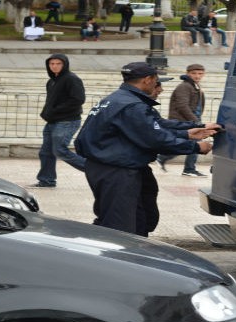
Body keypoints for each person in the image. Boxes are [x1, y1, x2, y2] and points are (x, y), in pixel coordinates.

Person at [74, 62, 219, 236]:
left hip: (112, 167)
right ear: (147, 80)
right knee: (119, 225)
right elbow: (155, 138)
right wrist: (195, 146)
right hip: (116, 170)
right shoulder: (132, 106)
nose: (160, 88)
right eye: (157, 81)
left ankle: (134, 255)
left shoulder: (119, 99)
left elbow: (155, 126)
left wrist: (191, 130)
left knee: (138, 219)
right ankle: (116, 260)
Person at [30, 54, 87, 188]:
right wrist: (47, 113)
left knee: (60, 150)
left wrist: (55, 110)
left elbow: (78, 99)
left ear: (65, 64)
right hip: (52, 122)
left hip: (67, 121)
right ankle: (47, 180)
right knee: (45, 152)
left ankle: (95, 169)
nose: (54, 66)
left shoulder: (72, 79)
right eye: (52, 64)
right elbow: (51, 101)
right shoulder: (51, 81)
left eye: (58, 63)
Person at [155, 64, 208, 177]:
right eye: (194, 73)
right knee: (190, 143)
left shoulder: (195, 86)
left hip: (191, 120)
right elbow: (182, 106)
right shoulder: (184, 86)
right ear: (188, 73)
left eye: (200, 73)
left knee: (192, 143)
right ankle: (167, 159)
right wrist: (196, 121)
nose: (197, 76)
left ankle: (188, 168)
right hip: (183, 121)